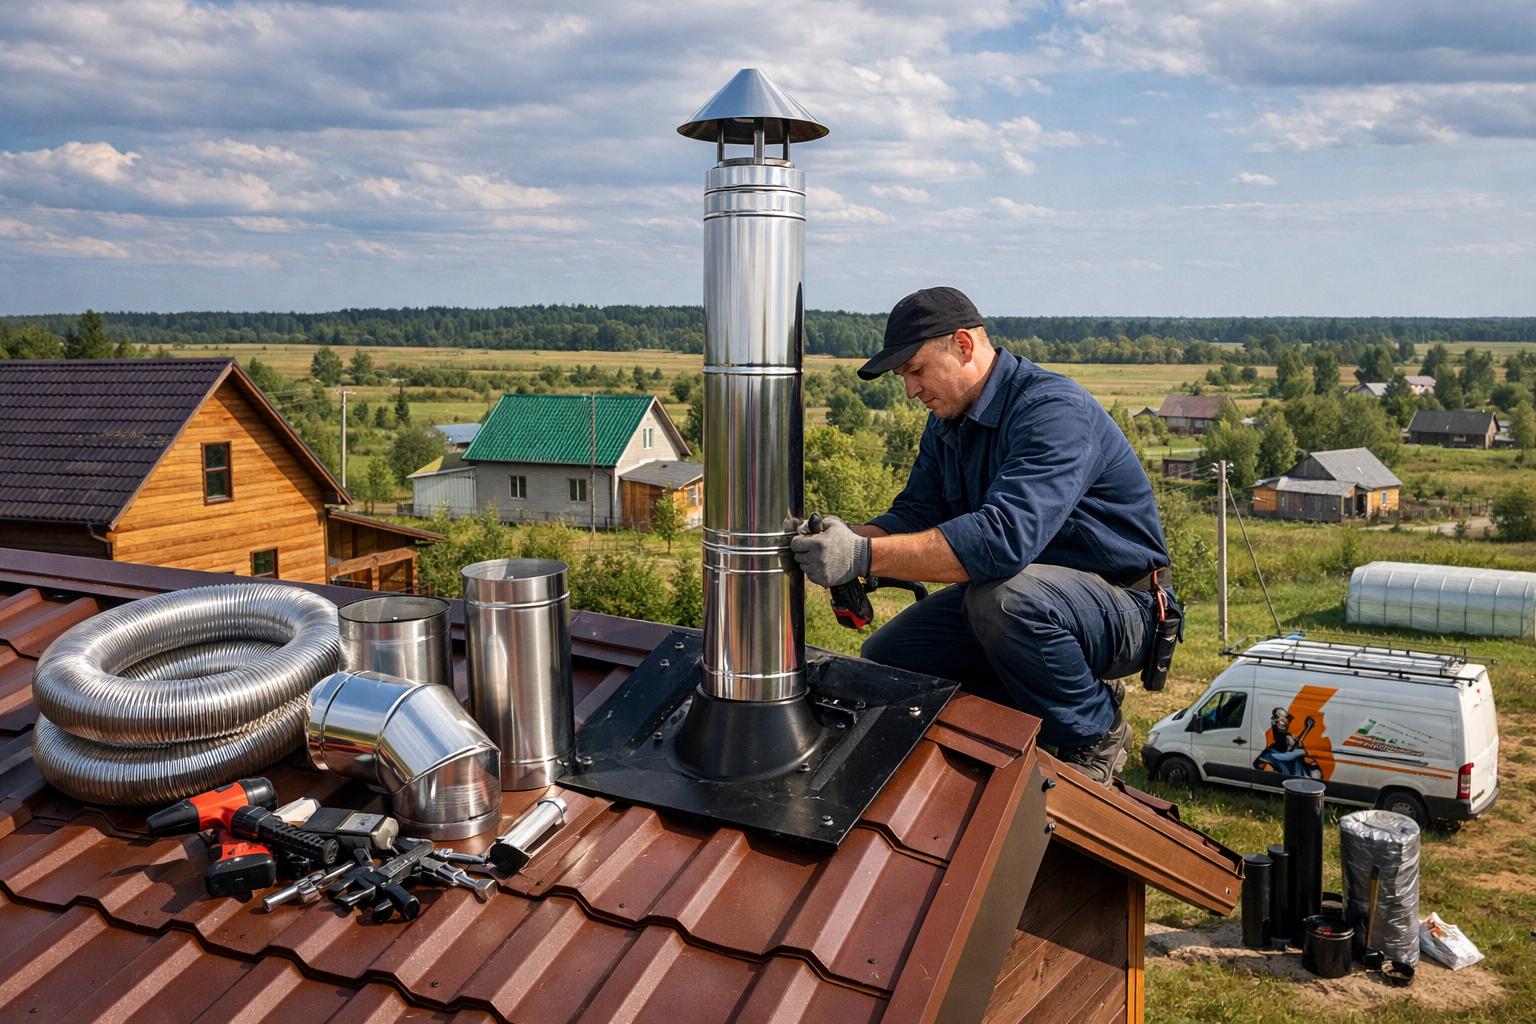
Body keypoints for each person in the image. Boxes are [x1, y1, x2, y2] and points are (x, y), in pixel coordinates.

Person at [791, 286, 1173, 785]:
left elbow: (1003, 540)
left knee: (1004, 599)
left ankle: (1093, 729)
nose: (910, 390)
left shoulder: (1052, 410)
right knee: (892, 657)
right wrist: (839, 541)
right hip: (1026, 598)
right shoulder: (949, 422)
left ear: (964, 346)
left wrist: (861, 556)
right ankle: (1017, 727)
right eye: (904, 377)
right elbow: (916, 512)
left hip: (1123, 609)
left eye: (916, 370)